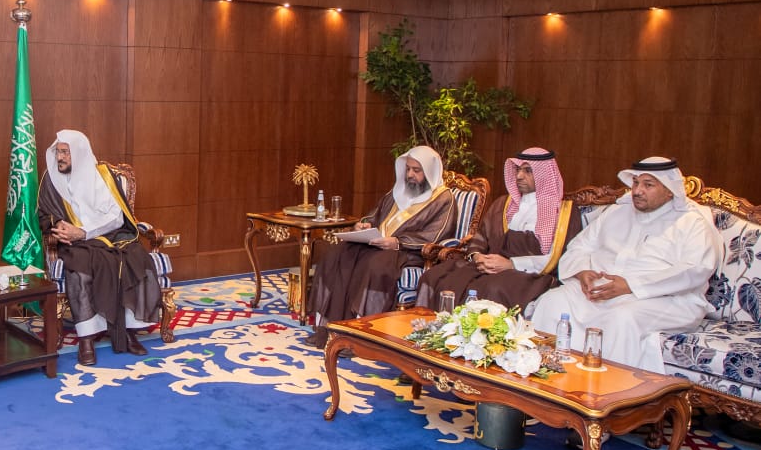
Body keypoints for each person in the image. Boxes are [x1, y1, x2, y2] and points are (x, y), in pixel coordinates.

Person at [530, 157, 720, 373]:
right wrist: (582, 271)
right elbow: (579, 246)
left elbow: (696, 269)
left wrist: (631, 285)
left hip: (663, 298)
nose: (637, 191)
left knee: (622, 318)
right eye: (636, 183)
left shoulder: (691, 222)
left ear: (670, 190)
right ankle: (548, 376)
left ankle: (608, 388)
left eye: (648, 185)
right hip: (601, 291)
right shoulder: (616, 212)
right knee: (553, 301)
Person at [308, 146, 457, 347]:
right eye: (408, 169)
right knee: (337, 254)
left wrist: (398, 242)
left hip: (407, 252)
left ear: (429, 172)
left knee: (376, 264)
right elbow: (374, 216)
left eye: (416, 170)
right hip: (378, 244)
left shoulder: (443, 199)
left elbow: (437, 234)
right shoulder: (398, 192)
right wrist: (364, 225)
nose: (410, 175)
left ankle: (362, 333)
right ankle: (330, 326)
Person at [37, 129, 161, 366]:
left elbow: (116, 217)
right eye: (58, 152)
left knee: (135, 258)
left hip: (110, 234)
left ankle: (128, 330)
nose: (60, 157)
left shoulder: (103, 176)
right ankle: (86, 338)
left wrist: (85, 231)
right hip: (74, 243)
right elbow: (45, 214)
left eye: (65, 152)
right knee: (80, 268)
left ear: (80, 153)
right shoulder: (51, 178)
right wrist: (58, 224)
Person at [416, 147, 582, 310]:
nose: (519, 176)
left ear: (544, 175)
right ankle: (432, 326)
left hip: (530, 275)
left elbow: (563, 257)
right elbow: (480, 237)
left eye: (527, 171)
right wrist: (478, 256)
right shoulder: (503, 204)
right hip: (488, 267)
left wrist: (512, 264)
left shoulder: (564, 212)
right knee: (435, 276)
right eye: (518, 170)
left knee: (492, 288)